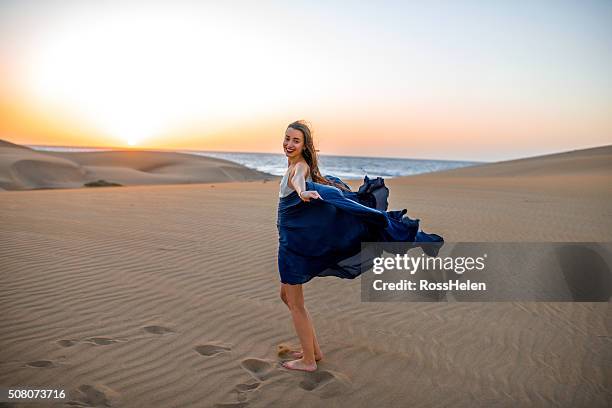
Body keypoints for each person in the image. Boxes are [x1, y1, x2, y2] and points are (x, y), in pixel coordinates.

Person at [277, 120, 443, 372]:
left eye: (295, 140)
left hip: (293, 245)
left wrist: (301, 192)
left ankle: (309, 360)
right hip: (292, 238)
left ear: (304, 145)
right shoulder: (298, 165)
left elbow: (298, 180)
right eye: (287, 138)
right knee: (286, 296)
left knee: (295, 302)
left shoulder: (298, 168)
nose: (289, 144)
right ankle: (314, 351)